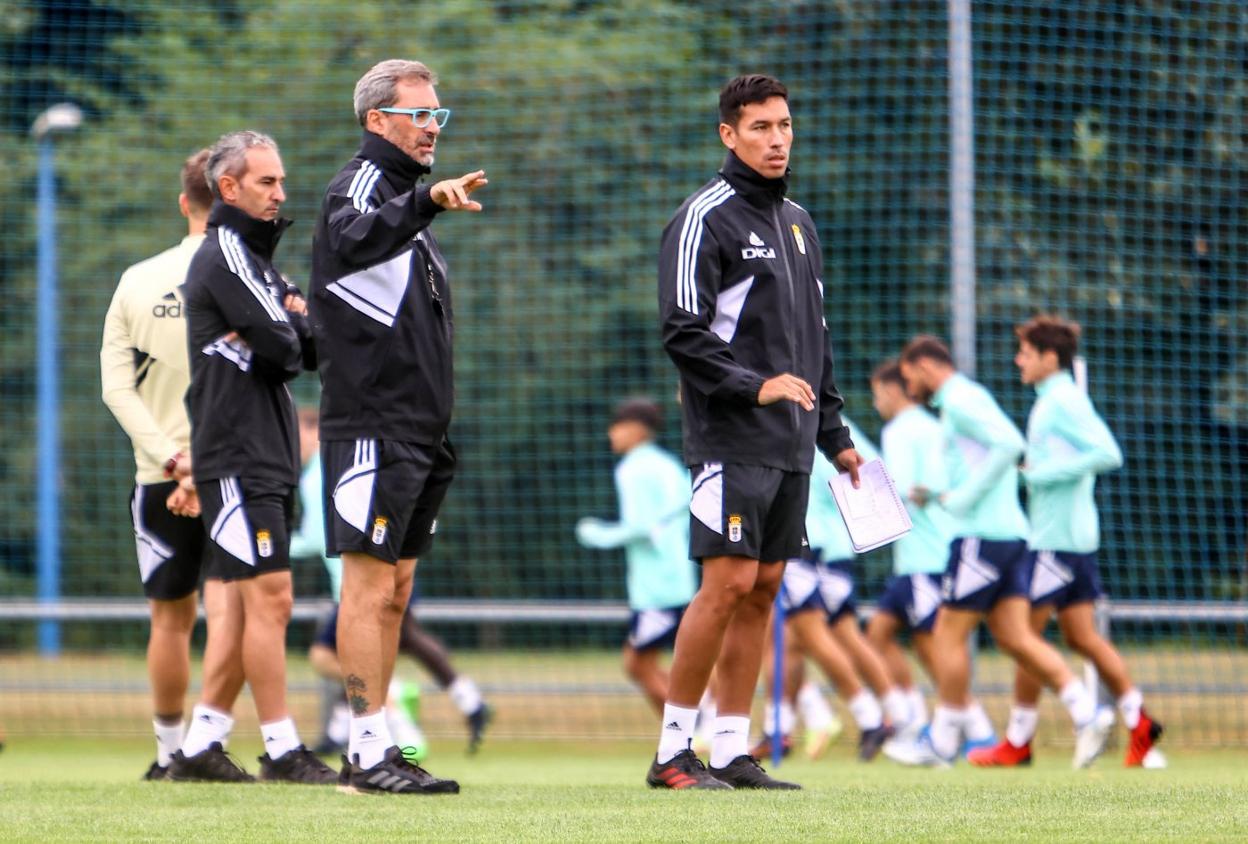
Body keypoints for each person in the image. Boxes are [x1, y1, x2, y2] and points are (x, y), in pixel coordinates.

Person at [650, 73, 863, 791]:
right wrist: (755, 385)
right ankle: (672, 752)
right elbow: (682, 329)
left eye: (785, 126)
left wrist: (835, 435)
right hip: (729, 434)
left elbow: (814, 339)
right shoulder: (703, 216)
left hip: (793, 442)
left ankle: (731, 750)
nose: (777, 140)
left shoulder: (799, 223)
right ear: (729, 134)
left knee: (765, 586)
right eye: (761, 127)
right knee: (727, 582)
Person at [309, 58, 487, 795]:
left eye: (437, 115)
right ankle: (364, 754)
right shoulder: (361, 184)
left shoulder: (411, 208)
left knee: (396, 591)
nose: (431, 127)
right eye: (419, 114)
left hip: (420, 432)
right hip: (372, 425)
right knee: (365, 589)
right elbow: (350, 239)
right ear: (377, 119)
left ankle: (381, 750)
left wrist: (421, 205)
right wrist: (425, 203)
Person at [169, 130, 332, 784]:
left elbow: (309, 343)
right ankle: (282, 749)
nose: (281, 193)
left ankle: (200, 746)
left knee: (243, 609)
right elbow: (285, 344)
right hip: (236, 454)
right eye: (267, 182)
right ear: (229, 187)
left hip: (264, 453)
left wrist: (287, 325)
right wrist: (286, 326)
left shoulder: (258, 263)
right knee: (273, 599)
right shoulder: (225, 257)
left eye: (281, 180)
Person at [898, 335, 1111, 768]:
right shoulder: (963, 400)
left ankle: (943, 740)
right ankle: (1087, 712)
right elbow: (979, 461)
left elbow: (1010, 445)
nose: (909, 388)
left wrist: (962, 500)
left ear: (925, 367)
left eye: (909, 378)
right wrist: (938, 493)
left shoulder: (961, 400)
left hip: (981, 537)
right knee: (1015, 638)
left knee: (945, 635)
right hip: (1009, 536)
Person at [969, 316, 1164, 768]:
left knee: (1023, 638)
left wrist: (1041, 474)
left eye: (1025, 353)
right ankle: (1138, 720)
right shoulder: (1053, 400)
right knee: (1081, 637)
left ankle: (1018, 742)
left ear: (1050, 358)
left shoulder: (1062, 401)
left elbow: (1108, 453)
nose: (1018, 360)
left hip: (1055, 540)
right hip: (1073, 538)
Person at [101, 149, 220, 780]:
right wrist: (206, 463)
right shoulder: (253, 273)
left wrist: (174, 460)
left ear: (183, 203)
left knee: (171, 619)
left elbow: (116, 390)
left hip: (160, 478)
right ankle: (217, 744)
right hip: (237, 471)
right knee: (240, 611)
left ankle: (170, 753)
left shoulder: (137, 279)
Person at [291, 409, 492, 758]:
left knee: (329, 655)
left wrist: (275, 547)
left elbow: (314, 537)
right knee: (400, 639)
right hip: (383, 566)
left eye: (299, 435)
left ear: (315, 432)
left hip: (362, 577)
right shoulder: (339, 464)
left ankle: (387, 707)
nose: (295, 445)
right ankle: (466, 702)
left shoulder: (321, 471)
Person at [756, 419, 911, 762]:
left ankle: (872, 717)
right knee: (793, 639)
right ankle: (780, 727)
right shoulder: (827, 422)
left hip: (801, 539)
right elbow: (872, 468)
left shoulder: (789, 416)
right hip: (829, 544)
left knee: (809, 634)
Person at [866, 359, 997, 763]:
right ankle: (918, 719)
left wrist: (861, 508)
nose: (875, 404)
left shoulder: (899, 431)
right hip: (921, 554)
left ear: (892, 391)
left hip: (926, 554)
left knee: (933, 645)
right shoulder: (932, 424)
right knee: (880, 634)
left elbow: (900, 489)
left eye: (876, 395)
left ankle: (972, 729)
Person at [575, 397, 700, 715]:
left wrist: (596, 534)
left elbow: (640, 527)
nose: (611, 433)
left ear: (637, 429)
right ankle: (697, 723)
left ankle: (692, 730)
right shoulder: (668, 465)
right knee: (659, 663)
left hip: (656, 588)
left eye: (617, 426)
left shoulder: (632, 470)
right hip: (680, 577)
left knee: (637, 664)